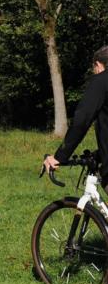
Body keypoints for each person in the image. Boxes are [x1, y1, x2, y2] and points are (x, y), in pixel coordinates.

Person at [44, 45, 108, 186]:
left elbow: (82, 120)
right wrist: (99, 154)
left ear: (98, 65)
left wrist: (60, 156)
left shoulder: (101, 81)